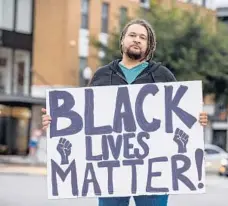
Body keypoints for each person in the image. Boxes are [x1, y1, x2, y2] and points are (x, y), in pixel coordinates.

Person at [42, 19, 208, 206]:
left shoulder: (163, 76)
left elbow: (180, 116)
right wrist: (56, 121)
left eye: (142, 37)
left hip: (153, 171)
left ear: (149, 45)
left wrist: (197, 120)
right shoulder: (102, 76)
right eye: (132, 35)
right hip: (111, 169)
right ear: (122, 40)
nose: (137, 40)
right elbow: (85, 118)